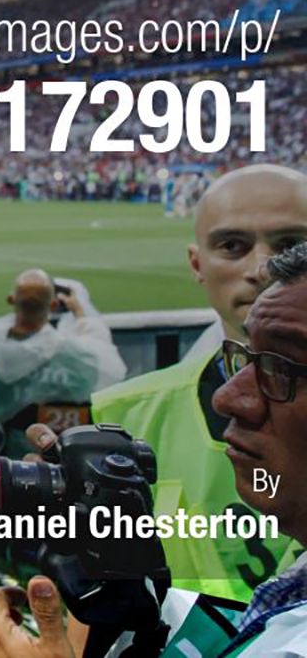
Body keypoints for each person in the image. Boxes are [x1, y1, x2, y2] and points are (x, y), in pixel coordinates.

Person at [0, 240, 307, 657]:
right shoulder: (291, 588)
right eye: (243, 359)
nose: (226, 397)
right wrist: (128, 590)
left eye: (281, 368)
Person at [91, 165, 307, 600]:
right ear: (197, 264)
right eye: (232, 246)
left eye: (291, 246)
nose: (262, 268)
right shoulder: (123, 419)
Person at [0, 270, 125, 454]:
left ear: (11, 300)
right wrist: (80, 313)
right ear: (54, 304)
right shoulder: (75, 357)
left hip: (6, 459)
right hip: (67, 459)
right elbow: (103, 356)